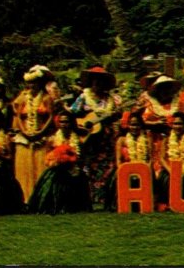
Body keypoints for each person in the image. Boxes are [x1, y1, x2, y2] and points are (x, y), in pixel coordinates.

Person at [69, 65, 122, 206]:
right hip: (90, 141)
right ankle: (89, 196)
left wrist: (114, 116)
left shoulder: (113, 100)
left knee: (107, 168)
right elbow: (72, 114)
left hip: (107, 140)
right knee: (89, 168)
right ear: (91, 82)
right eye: (95, 81)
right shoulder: (83, 98)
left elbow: (119, 116)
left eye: (101, 81)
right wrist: (80, 125)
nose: (97, 84)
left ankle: (106, 197)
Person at [28, 109, 92, 214]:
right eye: (61, 122)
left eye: (66, 122)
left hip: (73, 170)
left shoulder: (78, 139)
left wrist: (73, 161)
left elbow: (82, 158)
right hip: (57, 171)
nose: (64, 124)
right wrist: (57, 160)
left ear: (71, 123)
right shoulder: (52, 139)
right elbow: (48, 158)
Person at [10, 64, 56, 202]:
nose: (32, 86)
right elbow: (18, 116)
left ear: (41, 84)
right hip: (25, 135)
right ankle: (24, 197)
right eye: (30, 83)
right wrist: (24, 132)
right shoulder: (23, 98)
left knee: (40, 166)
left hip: (41, 135)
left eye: (35, 83)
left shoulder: (46, 98)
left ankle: (41, 198)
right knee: (24, 167)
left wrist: (41, 132)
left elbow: (51, 117)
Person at [106, 112, 153, 211]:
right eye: (132, 124)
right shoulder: (121, 140)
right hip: (126, 171)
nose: (134, 127)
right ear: (128, 125)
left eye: (137, 125)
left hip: (144, 170)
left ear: (141, 125)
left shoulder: (147, 140)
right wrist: (125, 172)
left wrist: (145, 171)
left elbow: (150, 159)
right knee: (116, 177)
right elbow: (118, 161)